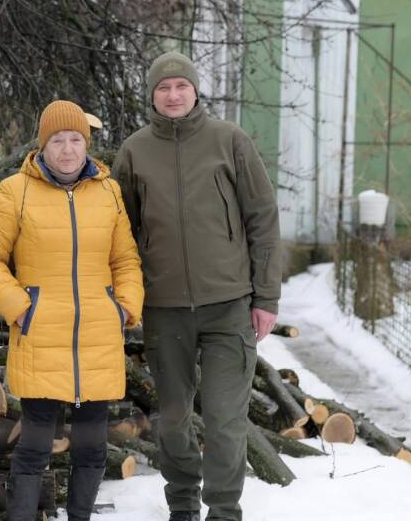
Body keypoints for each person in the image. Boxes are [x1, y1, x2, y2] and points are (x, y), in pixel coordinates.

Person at [111, 52, 282, 521]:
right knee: (173, 419)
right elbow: (120, 232)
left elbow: (262, 219)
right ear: (151, 95)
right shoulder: (134, 151)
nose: (172, 95)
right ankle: (182, 505)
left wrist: (266, 297)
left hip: (229, 306)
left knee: (227, 421)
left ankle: (224, 511)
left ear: (194, 90)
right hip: (164, 308)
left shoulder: (230, 141)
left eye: (180, 86)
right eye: (163, 88)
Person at [0, 100, 144, 521]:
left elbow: (125, 260)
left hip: (97, 339)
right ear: (43, 145)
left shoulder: (108, 192)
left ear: (85, 144)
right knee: (33, 448)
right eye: (57, 140)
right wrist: (21, 309)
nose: (67, 149)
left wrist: (123, 309)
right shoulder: (17, 190)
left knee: (91, 448)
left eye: (74, 140)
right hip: (40, 337)